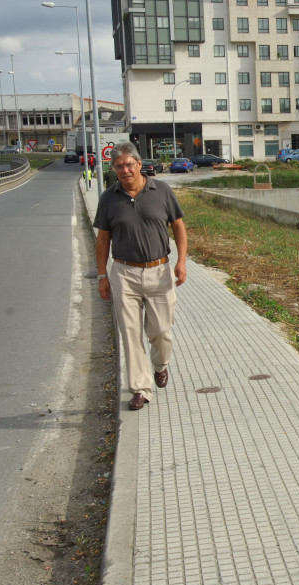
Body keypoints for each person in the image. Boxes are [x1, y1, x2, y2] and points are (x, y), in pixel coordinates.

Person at [94, 142, 187, 411]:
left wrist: (181, 262)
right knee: (130, 333)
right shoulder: (108, 198)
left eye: (129, 164)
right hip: (124, 273)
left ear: (139, 164)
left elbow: (179, 227)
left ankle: (160, 365)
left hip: (160, 271)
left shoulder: (162, 191)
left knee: (161, 331)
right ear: (113, 169)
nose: (125, 169)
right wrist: (102, 275)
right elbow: (102, 240)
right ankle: (140, 388)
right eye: (119, 166)